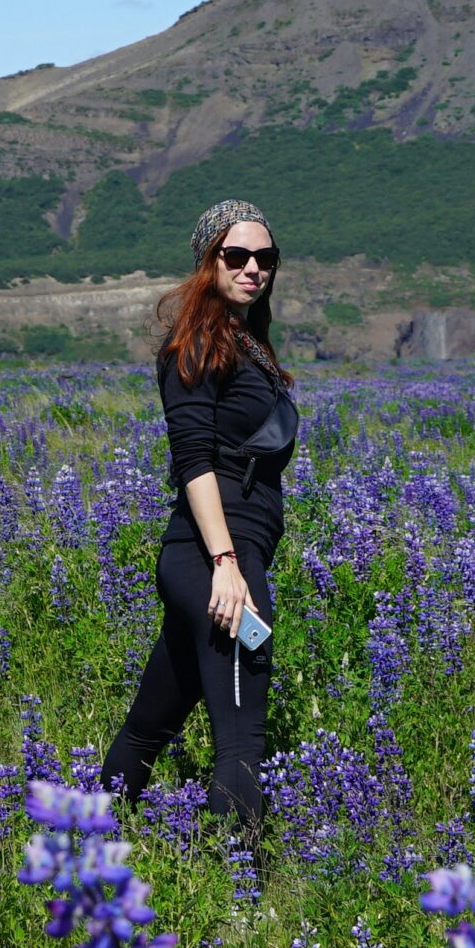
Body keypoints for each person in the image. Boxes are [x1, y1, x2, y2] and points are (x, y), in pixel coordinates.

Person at [101, 199, 298, 832]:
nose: (252, 268)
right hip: (215, 558)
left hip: (220, 556)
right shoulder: (195, 346)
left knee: (149, 724)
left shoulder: (245, 344)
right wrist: (226, 564)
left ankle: (83, 845)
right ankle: (242, 905)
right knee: (242, 737)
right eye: (235, 256)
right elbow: (193, 460)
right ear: (206, 261)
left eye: (264, 258)